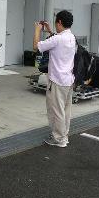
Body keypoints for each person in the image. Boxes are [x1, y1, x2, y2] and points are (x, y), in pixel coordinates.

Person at [33, 11, 75, 147]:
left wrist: (37, 30)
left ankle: (58, 139)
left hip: (57, 80)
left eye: (56, 22)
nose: (56, 25)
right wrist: (50, 31)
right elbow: (56, 41)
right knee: (65, 110)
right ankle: (64, 135)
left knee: (56, 110)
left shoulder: (57, 39)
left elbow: (36, 47)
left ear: (60, 22)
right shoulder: (71, 37)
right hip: (69, 80)